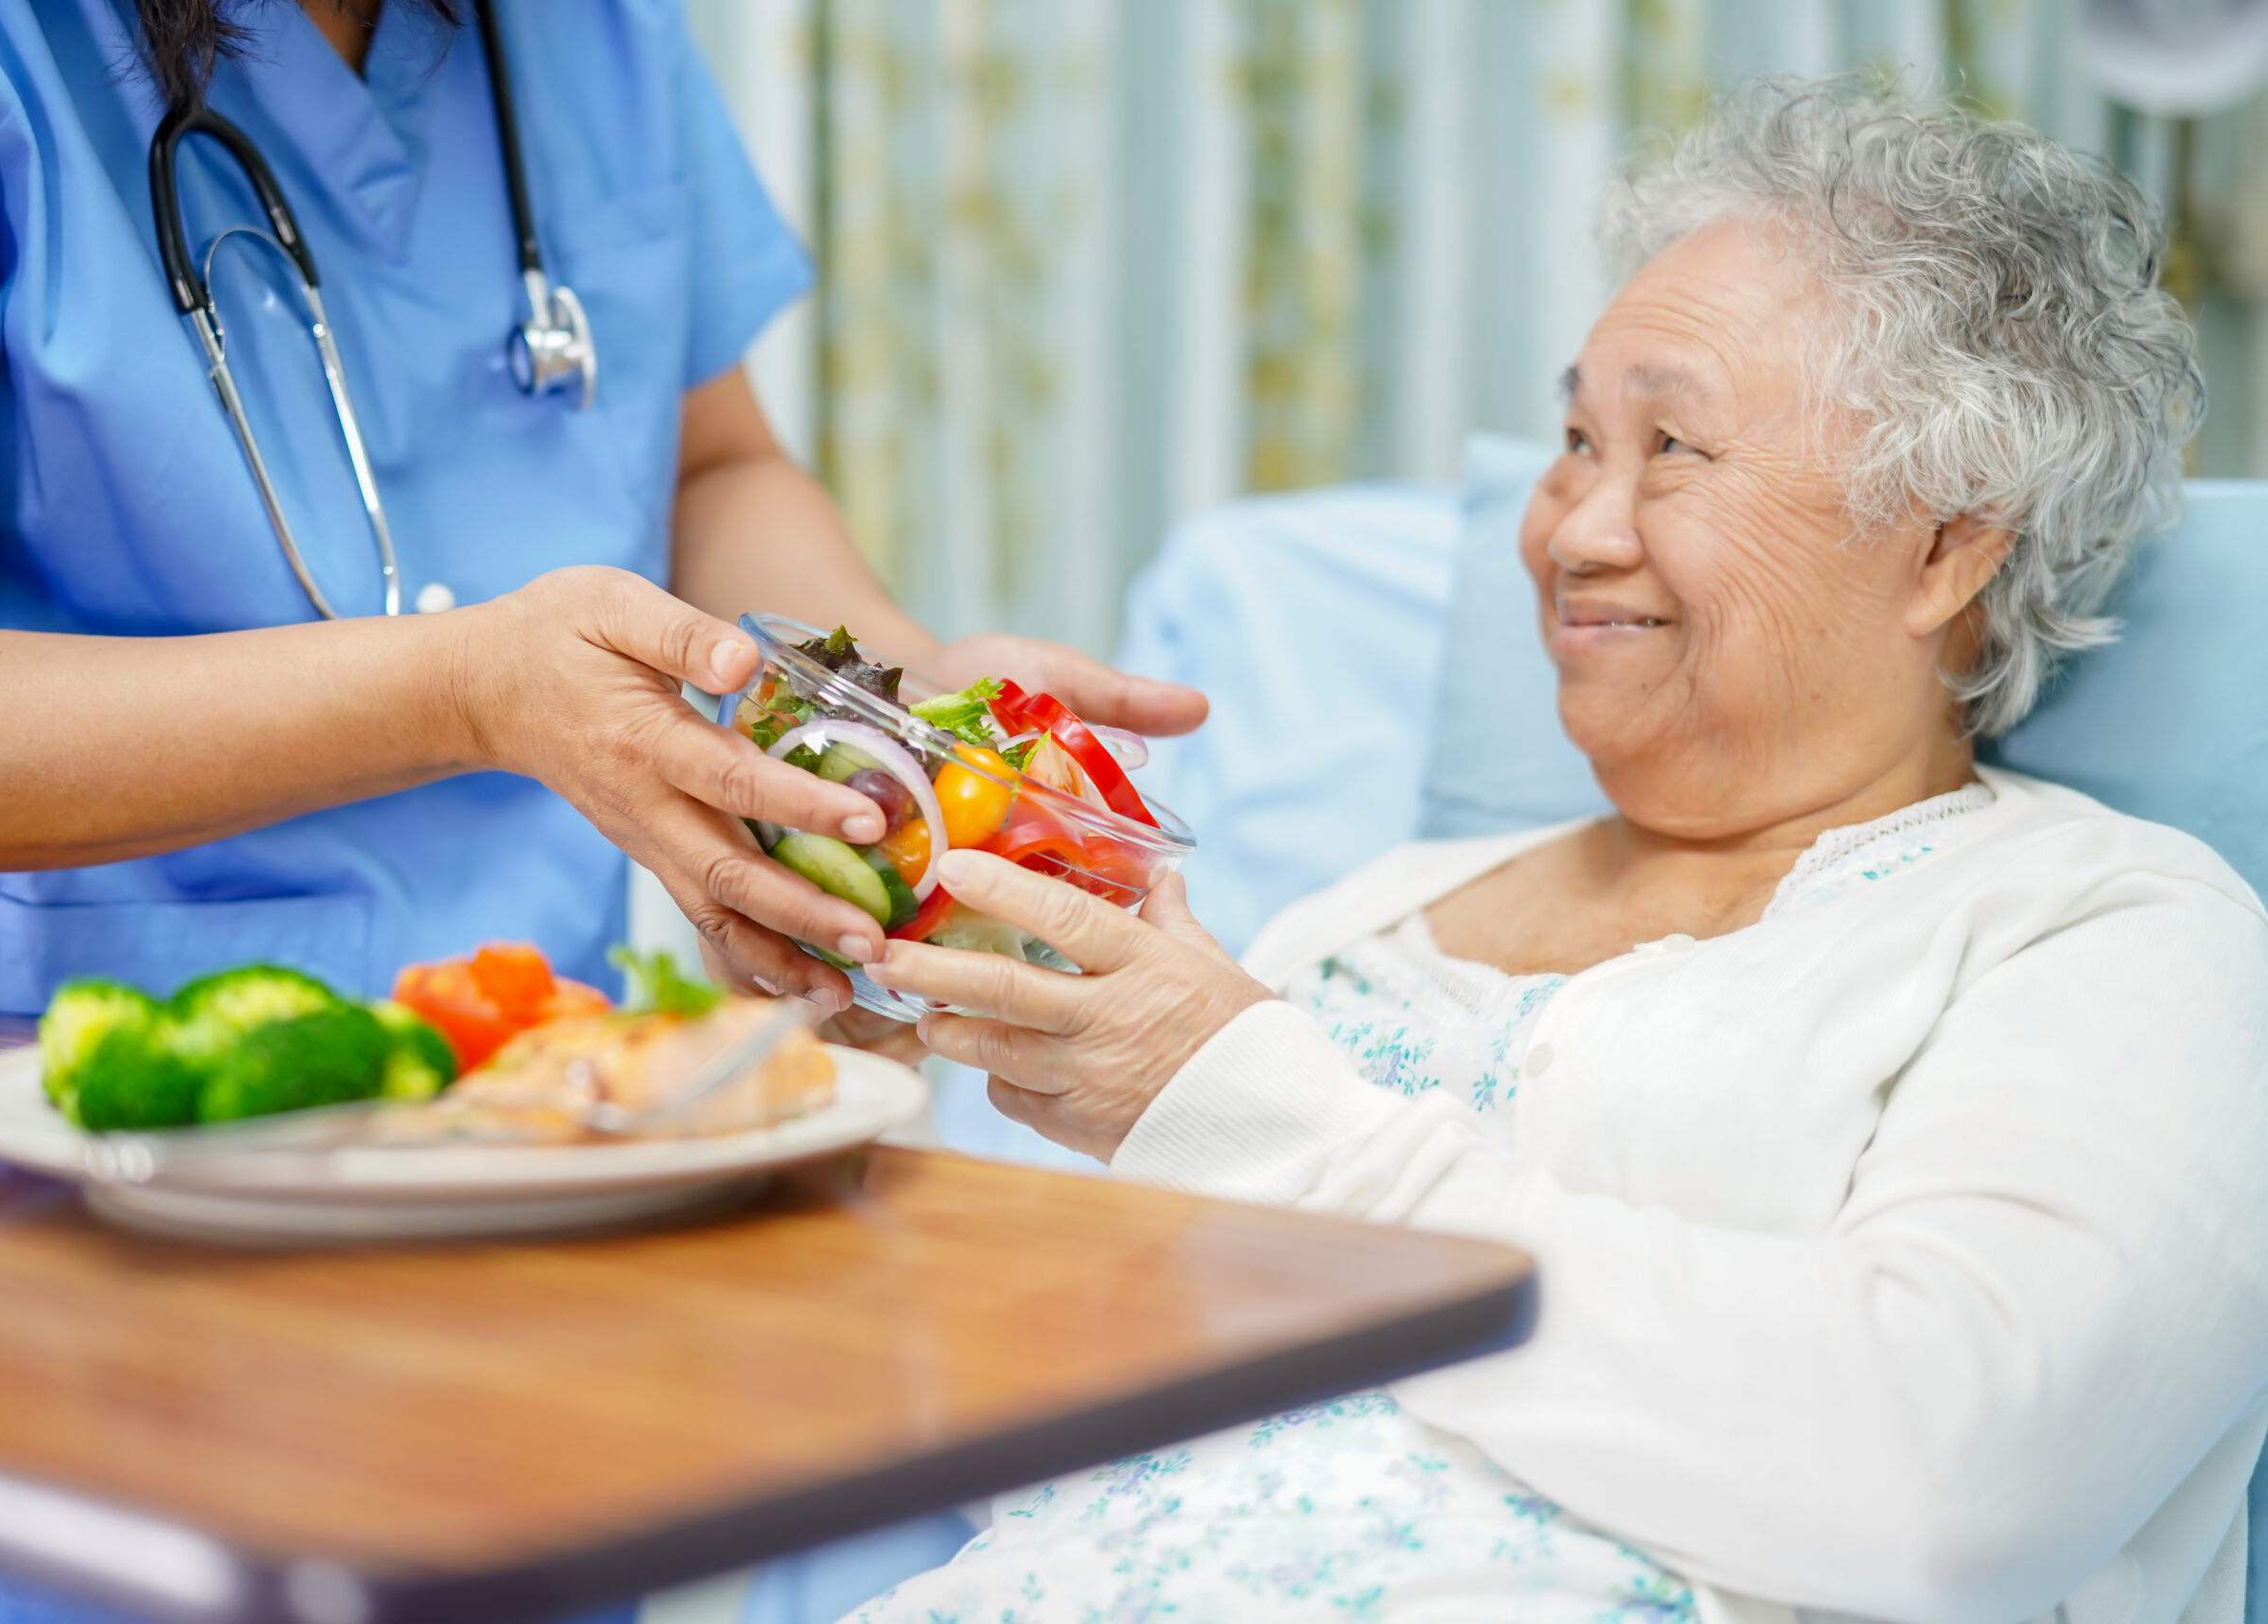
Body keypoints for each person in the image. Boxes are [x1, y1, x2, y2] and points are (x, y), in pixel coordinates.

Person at [0, 0, 1199, 1618]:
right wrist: (460, 687)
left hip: (537, 1131)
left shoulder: (585, 32)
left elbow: (713, 467)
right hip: (53, 1181)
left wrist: (894, 729)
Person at [850, 83, 2268, 1623]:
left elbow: (1946, 1482)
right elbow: (1062, 1443)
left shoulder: (2113, 938)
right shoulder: (1366, 918)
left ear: (1946, 547)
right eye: (1575, 438)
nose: (1574, 529)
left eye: (1674, 448)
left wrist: (1256, 1114)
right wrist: (863, 1032)